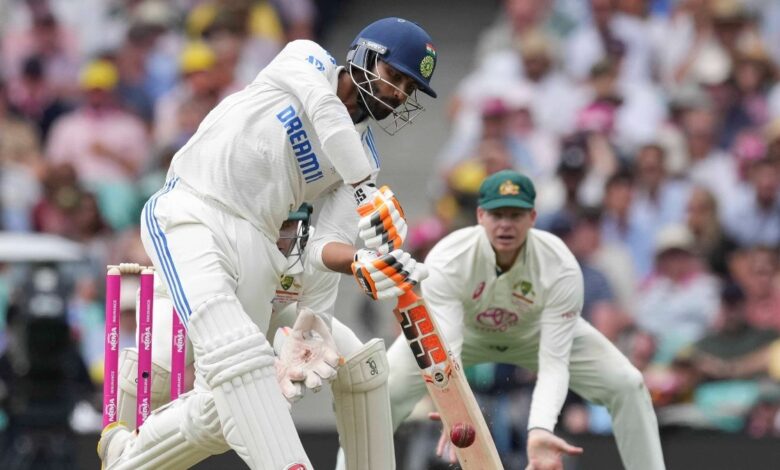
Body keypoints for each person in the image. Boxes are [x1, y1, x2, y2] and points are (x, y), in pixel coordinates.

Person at [98, 17, 436, 469]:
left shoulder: (365, 161)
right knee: (234, 355)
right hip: (194, 207)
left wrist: (359, 261)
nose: (397, 95)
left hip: (258, 244)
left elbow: (322, 246)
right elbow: (324, 110)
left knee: (232, 399)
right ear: (363, 56)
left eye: (408, 90)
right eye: (394, 77)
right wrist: (364, 193)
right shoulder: (307, 58)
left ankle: (126, 455)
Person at [387, 169, 666, 470]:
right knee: (381, 389)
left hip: (534, 337)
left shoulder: (559, 265)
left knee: (628, 383)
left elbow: (554, 363)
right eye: (497, 214)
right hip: (466, 339)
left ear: (532, 218)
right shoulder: (448, 258)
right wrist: (453, 408)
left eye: (515, 215)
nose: (506, 224)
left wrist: (540, 430)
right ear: (480, 215)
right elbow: (447, 349)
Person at [107, 206, 397, 469]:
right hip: (188, 302)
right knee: (166, 369)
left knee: (359, 363)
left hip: (271, 309)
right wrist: (255, 375)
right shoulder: (231, 238)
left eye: (290, 227)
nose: (283, 237)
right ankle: (119, 452)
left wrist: (298, 351)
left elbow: (314, 322)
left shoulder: (310, 245)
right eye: (279, 224)